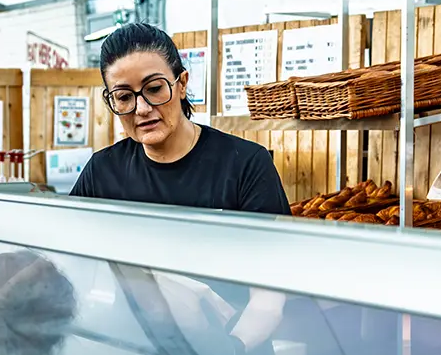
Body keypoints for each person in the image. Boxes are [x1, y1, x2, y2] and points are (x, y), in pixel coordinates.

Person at [71, 22, 291, 215]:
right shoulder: (101, 172)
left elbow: (276, 256)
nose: (142, 108)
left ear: (182, 83)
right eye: (124, 97)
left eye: (155, 88)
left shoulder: (246, 166)